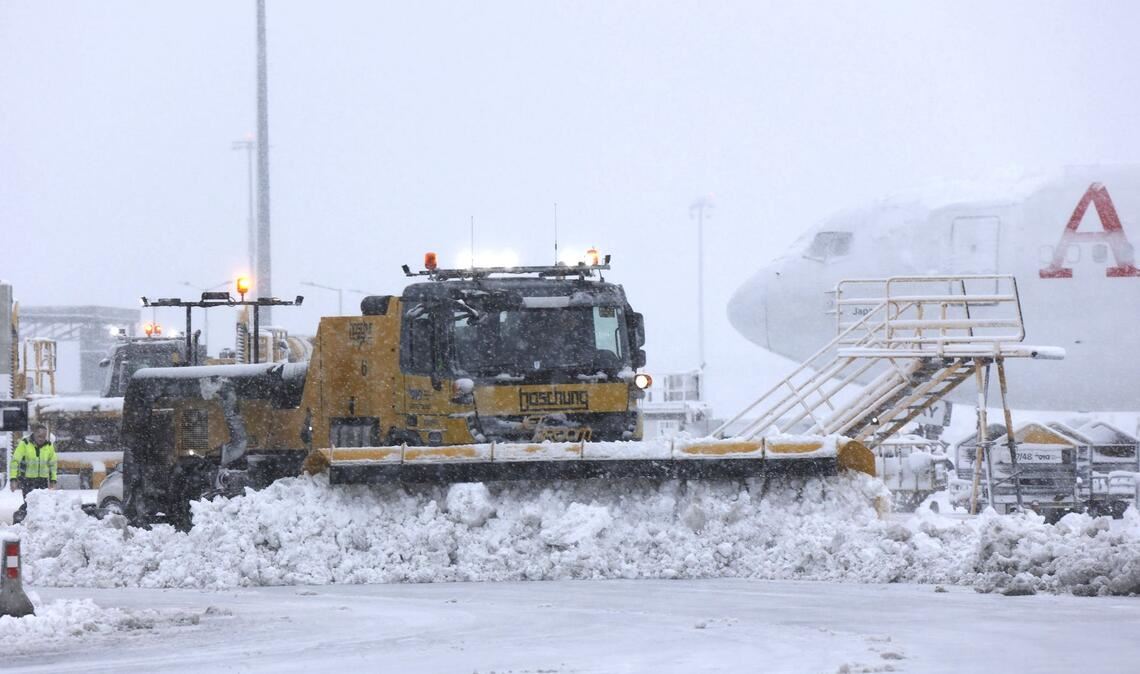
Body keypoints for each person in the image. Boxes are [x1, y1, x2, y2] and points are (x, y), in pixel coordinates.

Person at [9, 424, 58, 524]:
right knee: (29, 504)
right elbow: (15, 462)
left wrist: (53, 480)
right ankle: (19, 522)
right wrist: (13, 479)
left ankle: (39, 525)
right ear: (34, 434)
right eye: (39, 436)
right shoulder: (25, 444)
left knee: (41, 504)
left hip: (42, 480)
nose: (41, 439)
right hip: (28, 480)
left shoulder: (49, 446)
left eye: (44, 437)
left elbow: (53, 464)